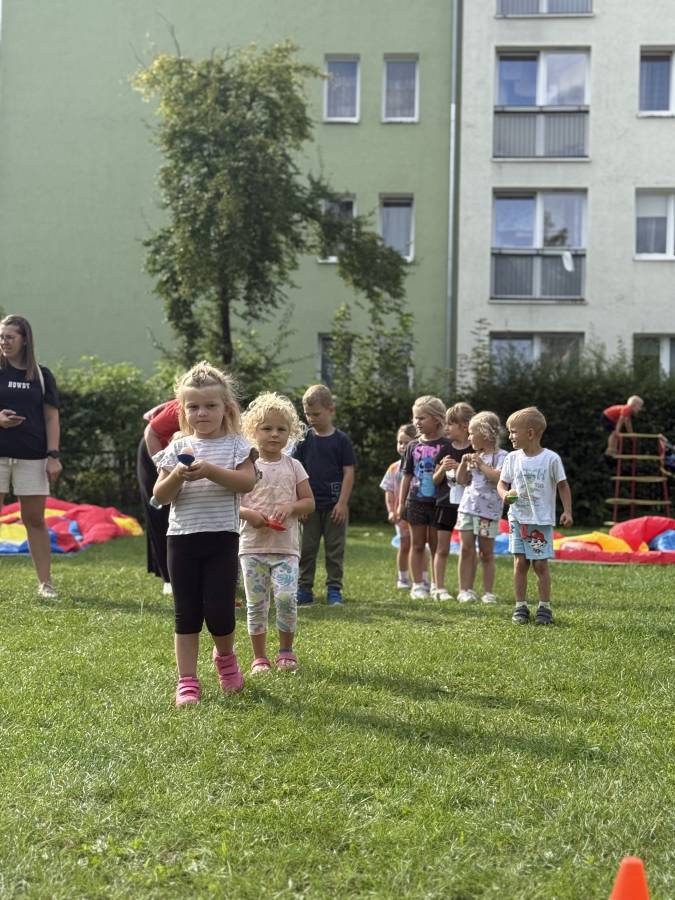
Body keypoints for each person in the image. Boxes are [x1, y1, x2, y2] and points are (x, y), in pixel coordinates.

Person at [153, 361, 258, 706]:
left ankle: (226, 660)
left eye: (210, 405)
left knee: (219, 610)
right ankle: (187, 680)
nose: (202, 413)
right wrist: (177, 476)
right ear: (183, 410)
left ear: (226, 408)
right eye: (194, 406)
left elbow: (246, 482)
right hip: (181, 539)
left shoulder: (236, 446)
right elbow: (160, 497)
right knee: (186, 612)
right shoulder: (177, 447)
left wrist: (210, 470)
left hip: (221, 538)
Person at [239, 392, 315, 674]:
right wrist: (249, 514)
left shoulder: (294, 466)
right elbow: (232, 503)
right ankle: (259, 657)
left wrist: (291, 506)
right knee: (256, 604)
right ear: (252, 430)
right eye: (267, 428)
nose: (274, 434)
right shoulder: (245, 466)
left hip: (286, 549)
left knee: (285, 599)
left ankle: (286, 651)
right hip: (252, 547)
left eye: (281, 429)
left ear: (290, 433)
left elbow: (309, 502)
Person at [0, 315, 62, 599]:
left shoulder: (41, 375)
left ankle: (45, 584)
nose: (4, 342)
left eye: (9, 337)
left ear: (25, 340)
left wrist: (53, 455)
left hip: (33, 458)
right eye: (1, 337)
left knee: (34, 520)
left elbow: (51, 418)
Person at [498, 406, 573, 626]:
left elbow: (563, 485)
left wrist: (567, 511)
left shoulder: (551, 459)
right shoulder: (512, 458)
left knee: (540, 564)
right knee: (520, 563)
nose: (510, 436)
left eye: (513, 431)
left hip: (540, 522)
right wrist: (504, 495)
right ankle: (520, 606)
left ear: (530, 433)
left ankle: (544, 607)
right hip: (517, 519)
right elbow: (502, 484)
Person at [292, 384, 356, 607]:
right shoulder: (303, 441)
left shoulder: (341, 441)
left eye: (316, 414)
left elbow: (349, 472)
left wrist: (342, 503)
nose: (311, 419)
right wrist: (299, 503)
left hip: (334, 507)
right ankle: (304, 590)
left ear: (331, 410)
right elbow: (294, 472)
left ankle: (334, 590)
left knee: (334, 551)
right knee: (306, 550)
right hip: (308, 507)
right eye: (307, 414)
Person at [397, 396, 451, 599]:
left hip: (439, 503)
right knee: (417, 544)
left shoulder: (447, 445)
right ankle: (417, 585)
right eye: (415, 418)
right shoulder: (412, 446)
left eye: (421, 418)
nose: (416, 422)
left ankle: (437, 585)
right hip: (416, 502)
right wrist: (401, 503)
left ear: (436, 419)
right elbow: (406, 476)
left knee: (436, 546)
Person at [455, 411, 506, 605]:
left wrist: (482, 465)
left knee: (486, 553)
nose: (468, 437)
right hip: (468, 509)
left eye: (471, 433)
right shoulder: (474, 456)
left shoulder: (503, 456)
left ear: (484, 433)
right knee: (466, 549)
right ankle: (464, 590)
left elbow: (498, 479)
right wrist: (463, 464)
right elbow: (461, 481)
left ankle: (488, 593)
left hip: (488, 514)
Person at [431, 402, 474, 600]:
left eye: (450, 424)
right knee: (442, 548)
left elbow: (476, 478)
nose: (446, 428)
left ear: (464, 426)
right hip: (445, 504)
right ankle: (439, 588)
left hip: (469, 506)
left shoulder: (474, 451)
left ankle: (466, 589)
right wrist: (442, 468)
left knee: (468, 548)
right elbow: (435, 479)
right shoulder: (445, 450)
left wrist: (459, 467)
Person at [136, 399, 180, 594]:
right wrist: (161, 466)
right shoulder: (179, 407)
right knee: (159, 510)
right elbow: (150, 433)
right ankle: (168, 578)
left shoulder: (228, 410)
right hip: (154, 451)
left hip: (186, 456)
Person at [380, 423, 417, 590]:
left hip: (419, 514)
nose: (402, 446)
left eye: (406, 442)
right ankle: (403, 578)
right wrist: (391, 511)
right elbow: (388, 491)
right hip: (401, 515)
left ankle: (421, 579)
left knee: (419, 546)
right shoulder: (394, 468)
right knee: (404, 545)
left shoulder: (421, 466)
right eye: (400, 442)